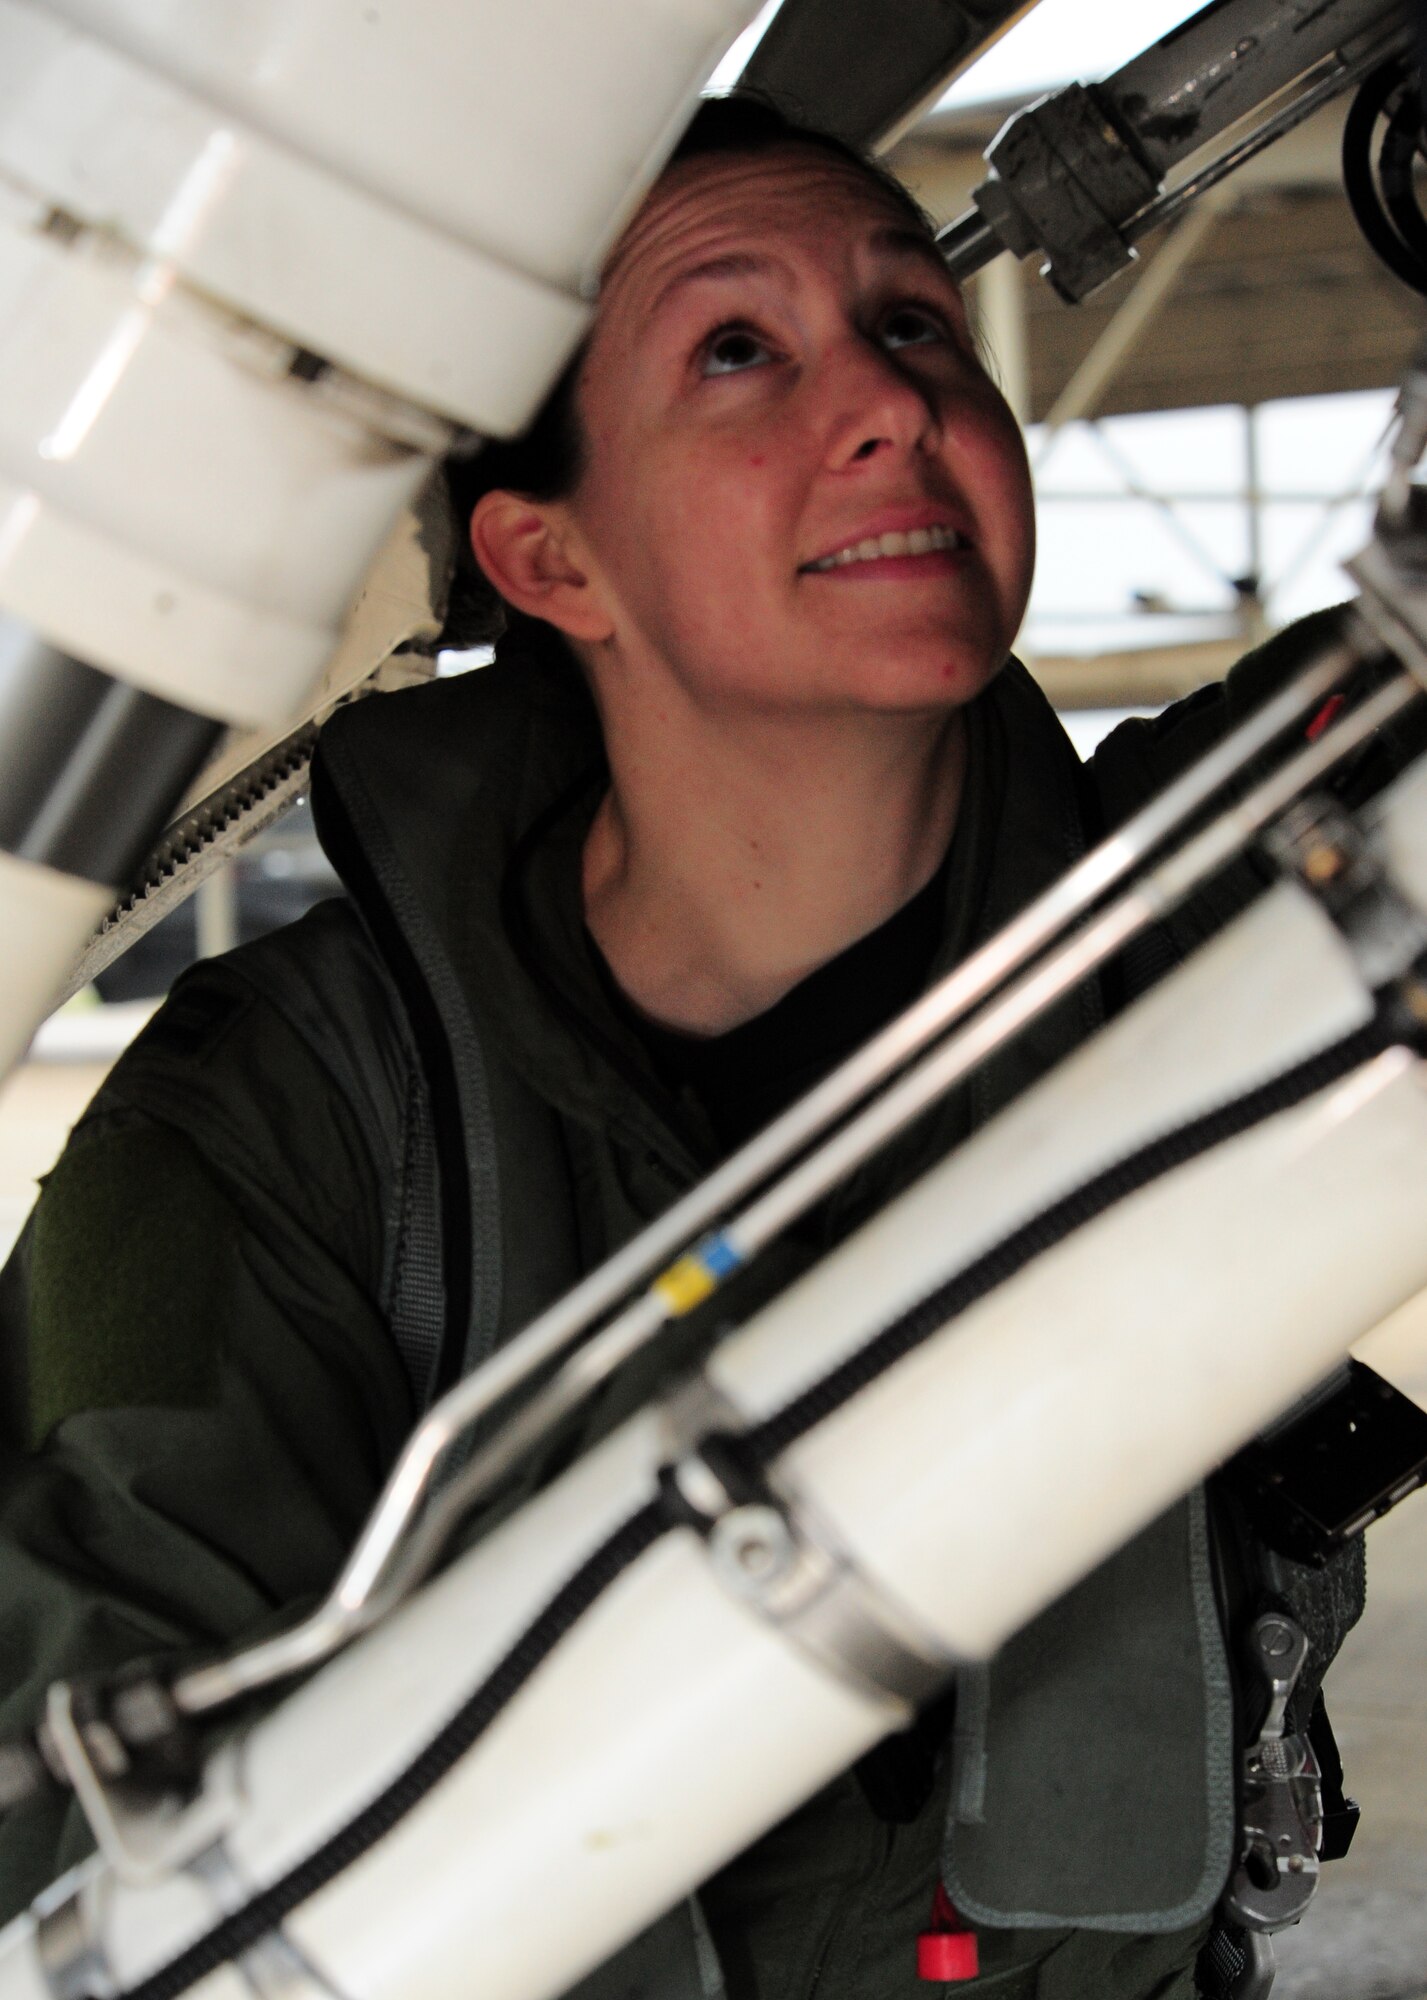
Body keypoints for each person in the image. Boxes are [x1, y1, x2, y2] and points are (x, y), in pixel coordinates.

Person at [0, 92, 1371, 2000]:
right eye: (739, 348)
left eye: (917, 325)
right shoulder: (293, 1127)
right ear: (553, 561)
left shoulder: (1249, 919)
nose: (891, 403)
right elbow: (91, 1849)